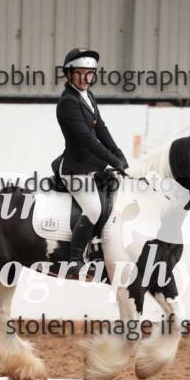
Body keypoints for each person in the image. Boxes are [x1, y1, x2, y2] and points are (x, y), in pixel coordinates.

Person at [52, 47, 129, 277]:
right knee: (93, 208)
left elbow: (101, 128)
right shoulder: (68, 102)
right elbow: (87, 139)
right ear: (69, 74)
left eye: (90, 73)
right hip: (76, 169)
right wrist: (112, 160)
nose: (86, 78)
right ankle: (75, 260)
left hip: (93, 166)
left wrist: (119, 154)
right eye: (80, 73)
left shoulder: (88, 96)